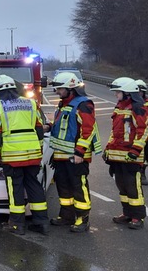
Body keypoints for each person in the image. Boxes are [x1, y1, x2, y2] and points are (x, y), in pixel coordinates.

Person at [0, 75, 48, 235]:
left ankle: (16, 224)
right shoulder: (31, 103)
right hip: (33, 153)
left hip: (12, 155)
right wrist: (39, 151)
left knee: (15, 189)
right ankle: (41, 222)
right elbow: (39, 128)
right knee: (34, 185)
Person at [49, 71, 101, 233]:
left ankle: (82, 219)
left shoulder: (84, 104)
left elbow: (88, 130)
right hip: (61, 155)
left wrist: (79, 152)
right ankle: (67, 216)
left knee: (78, 186)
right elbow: (62, 129)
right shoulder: (63, 104)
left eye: (60, 89)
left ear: (71, 89)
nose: (57, 92)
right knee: (63, 187)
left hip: (76, 156)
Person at [104, 77, 148, 230]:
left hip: (131, 156)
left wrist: (135, 151)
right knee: (121, 186)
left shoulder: (138, 109)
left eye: (118, 92)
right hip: (117, 155)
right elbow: (114, 132)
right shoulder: (119, 108)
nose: (116, 94)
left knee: (133, 186)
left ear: (127, 93)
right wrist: (108, 149)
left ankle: (138, 217)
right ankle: (127, 213)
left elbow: (143, 132)